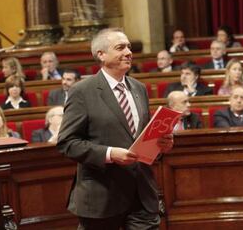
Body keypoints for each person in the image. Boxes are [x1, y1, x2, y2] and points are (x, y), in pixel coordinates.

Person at [56, 28, 174, 229]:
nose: (128, 52)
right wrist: (110, 154)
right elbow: (67, 143)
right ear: (100, 55)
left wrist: (161, 145)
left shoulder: (139, 88)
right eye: (120, 47)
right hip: (102, 197)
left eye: (129, 47)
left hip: (142, 195)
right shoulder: (82, 91)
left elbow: (140, 138)